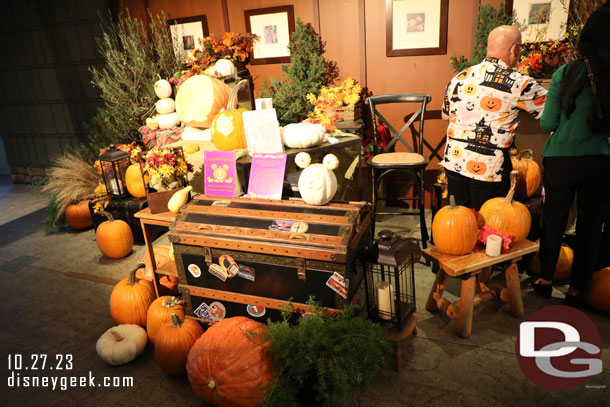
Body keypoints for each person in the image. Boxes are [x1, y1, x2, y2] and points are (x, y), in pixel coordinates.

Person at [533, 4, 610, 303]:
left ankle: (544, 278)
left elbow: (547, 122)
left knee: (554, 217)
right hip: (601, 161)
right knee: (592, 223)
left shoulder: (566, 72)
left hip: (561, 159)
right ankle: (579, 289)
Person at [441, 25, 547, 210]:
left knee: (459, 222)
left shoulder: (459, 77)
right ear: (514, 49)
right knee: (489, 228)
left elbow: (445, 115)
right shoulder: (520, 82)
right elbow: (552, 111)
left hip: (454, 161)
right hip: (490, 169)